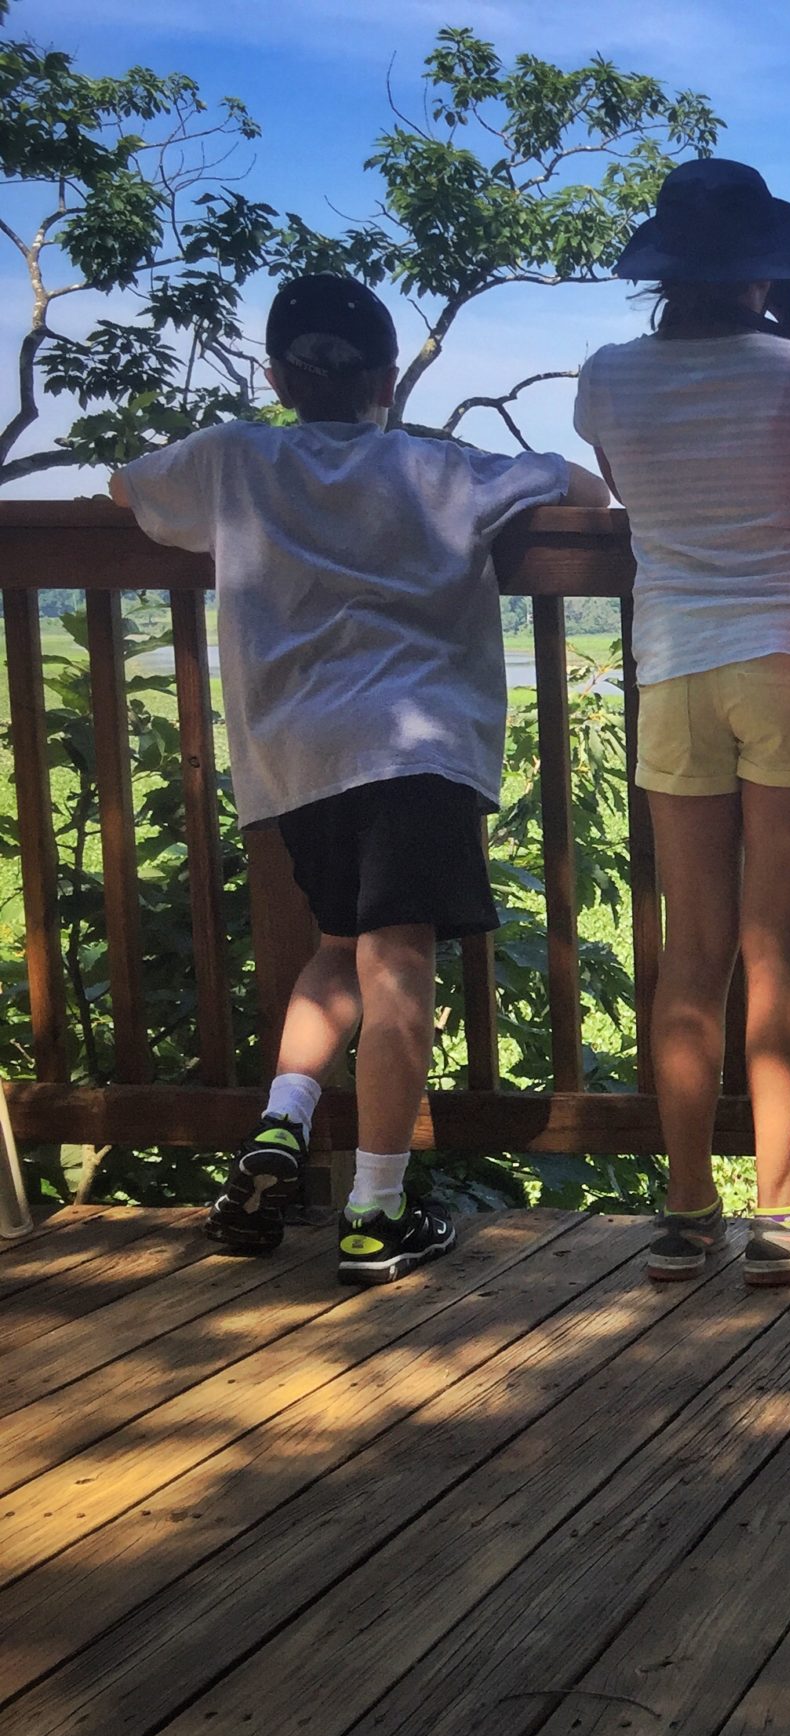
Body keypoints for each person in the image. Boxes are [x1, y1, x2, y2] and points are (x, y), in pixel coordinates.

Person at [111, 274, 609, 1283]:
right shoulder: (437, 467)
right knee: (399, 971)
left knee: (337, 949)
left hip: (297, 757)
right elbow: (583, 490)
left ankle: (281, 1124)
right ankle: (376, 1209)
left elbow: (128, 489)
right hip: (414, 750)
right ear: (388, 381)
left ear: (275, 375)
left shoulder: (234, 459)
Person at [577, 157, 790, 1286]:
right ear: (768, 266)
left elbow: (631, 486)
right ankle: (780, 1213)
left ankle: (682, 1217)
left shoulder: (608, 380)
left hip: (672, 667)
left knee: (693, 952)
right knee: (779, 947)